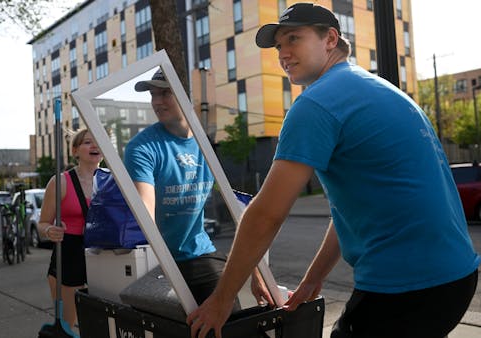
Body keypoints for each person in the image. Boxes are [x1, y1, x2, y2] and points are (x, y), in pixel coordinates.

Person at [187, 3, 480, 338]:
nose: (283, 53)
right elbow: (350, 209)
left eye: (293, 39)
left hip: (407, 287)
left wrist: (221, 301)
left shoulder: (316, 103)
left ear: (330, 39)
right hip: (457, 277)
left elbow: (267, 213)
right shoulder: (382, 90)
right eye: (279, 46)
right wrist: (314, 277)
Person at [124, 69, 271, 307]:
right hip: (162, 259)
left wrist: (257, 273)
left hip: (199, 252)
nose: (157, 102)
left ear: (186, 98)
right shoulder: (142, 148)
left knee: (231, 314)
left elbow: (237, 212)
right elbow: (145, 209)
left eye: (165, 93)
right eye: (153, 94)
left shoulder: (204, 144)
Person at [39, 129, 102, 329]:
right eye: (87, 142)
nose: (94, 146)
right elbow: (42, 224)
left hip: (103, 254)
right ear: (75, 151)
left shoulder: (113, 181)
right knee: (68, 324)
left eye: (98, 141)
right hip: (69, 254)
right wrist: (50, 231)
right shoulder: (60, 182)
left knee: (99, 325)